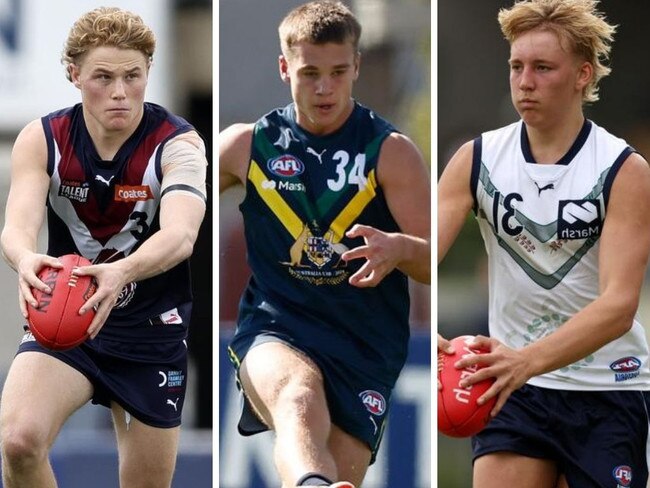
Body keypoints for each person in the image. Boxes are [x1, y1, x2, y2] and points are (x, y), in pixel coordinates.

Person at [438, 0, 650, 486]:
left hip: (607, 387)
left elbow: (619, 305)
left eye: (542, 67)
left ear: (582, 75)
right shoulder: (477, 160)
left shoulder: (623, 169)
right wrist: (426, 341)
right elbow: (420, 256)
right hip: (516, 391)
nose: (524, 81)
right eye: (516, 66)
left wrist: (524, 359)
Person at [219, 1, 430, 487]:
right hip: (275, 327)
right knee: (298, 393)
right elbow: (181, 211)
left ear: (356, 66)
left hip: (365, 345)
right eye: (310, 72)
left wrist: (399, 248)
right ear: (283, 67)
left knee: (342, 473)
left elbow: (431, 260)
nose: (324, 87)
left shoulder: (391, 153)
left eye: (338, 72)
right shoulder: (246, 146)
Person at [0, 7, 207, 487]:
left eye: (133, 76)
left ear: (148, 72)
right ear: (73, 75)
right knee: (18, 441)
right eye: (103, 77)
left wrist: (120, 272)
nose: (120, 91)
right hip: (67, 321)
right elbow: (16, 228)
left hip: (150, 331)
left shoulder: (177, 144)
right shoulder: (43, 138)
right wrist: (25, 259)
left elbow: (181, 235)